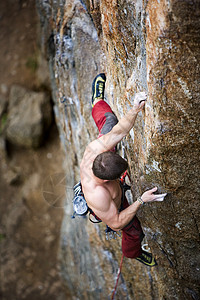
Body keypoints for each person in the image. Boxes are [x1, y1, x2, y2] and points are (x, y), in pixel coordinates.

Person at [80, 73, 167, 266]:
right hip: (114, 207)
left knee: (109, 121)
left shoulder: (95, 150)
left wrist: (135, 109)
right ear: (107, 180)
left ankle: (97, 101)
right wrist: (141, 201)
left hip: (105, 168)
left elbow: (119, 131)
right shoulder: (98, 196)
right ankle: (133, 253)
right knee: (134, 231)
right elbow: (116, 222)